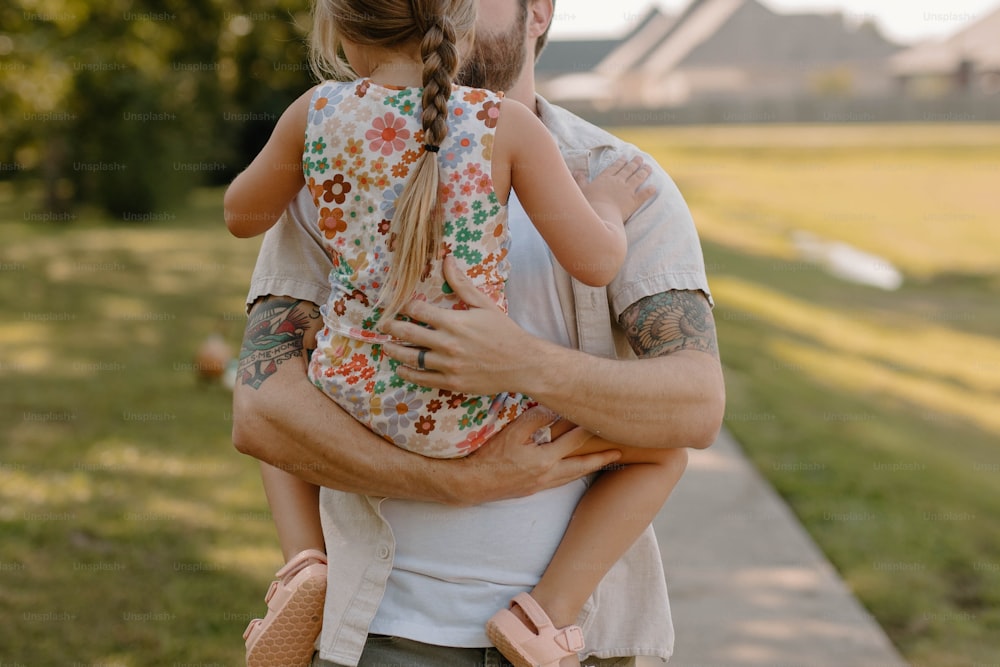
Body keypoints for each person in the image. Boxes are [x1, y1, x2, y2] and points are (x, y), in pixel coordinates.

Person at [231, 1, 725, 666]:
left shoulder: (318, 122)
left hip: (353, 391)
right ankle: (545, 616)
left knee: (298, 385)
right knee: (654, 455)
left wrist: (524, 362)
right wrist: (465, 479)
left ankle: (302, 566)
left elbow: (695, 405)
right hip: (371, 629)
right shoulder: (514, 136)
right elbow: (260, 411)